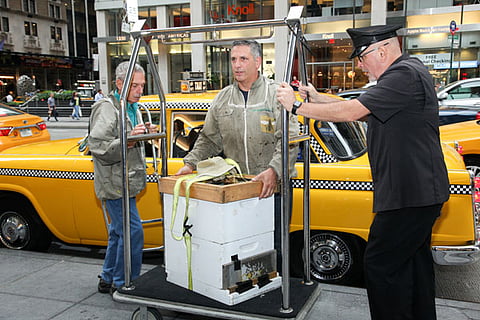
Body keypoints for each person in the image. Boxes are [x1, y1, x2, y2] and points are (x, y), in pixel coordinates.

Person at [277, 25, 449, 320]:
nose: (359, 64)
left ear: (381, 51)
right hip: (417, 193)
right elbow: (361, 108)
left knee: (380, 265)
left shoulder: (403, 75)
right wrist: (317, 98)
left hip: (408, 195)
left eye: (362, 56)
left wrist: (296, 107)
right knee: (412, 264)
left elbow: (351, 113)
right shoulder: (408, 72)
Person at [175, 40, 299, 272]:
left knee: (274, 249)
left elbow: (290, 140)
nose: (237, 65)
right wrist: (189, 164)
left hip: (274, 189)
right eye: (233, 59)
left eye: (244, 59)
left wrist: (274, 170)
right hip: (238, 190)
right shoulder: (222, 99)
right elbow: (209, 139)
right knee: (242, 249)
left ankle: (277, 298)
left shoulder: (276, 95)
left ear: (258, 62)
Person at [88, 61, 157, 294]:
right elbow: (97, 146)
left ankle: (108, 277)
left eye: (142, 86)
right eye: (134, 86)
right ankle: (124, 281)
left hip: (125, 181)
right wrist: (128, 139)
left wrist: (142, 132)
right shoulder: (107, 108)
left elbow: (126, 138)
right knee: (132, 231)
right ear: (119, 83)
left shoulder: (130, 106)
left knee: (119, 231)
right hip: (114, 183)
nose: (139, 91)